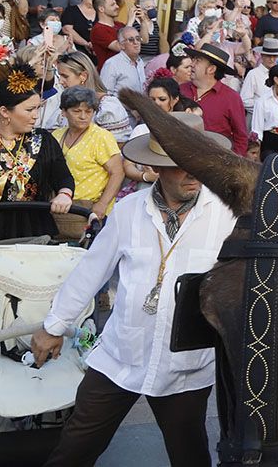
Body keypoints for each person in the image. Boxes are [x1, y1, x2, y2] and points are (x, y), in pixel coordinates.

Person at [31, 113, 235, 467]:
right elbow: (90, 272)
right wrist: (53, 326)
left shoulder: (227, 216)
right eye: (179, 165)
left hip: (185, 367)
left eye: (197, 163)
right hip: (119, 356)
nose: (192, 173)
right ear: (156, 168)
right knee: (73, 450)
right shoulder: (127, 211)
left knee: (190, 456)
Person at [0, 63, 74, 241]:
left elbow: (63, 177)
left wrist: (64, 194)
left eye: (38, 108)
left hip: (34, 229)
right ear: (4, 112)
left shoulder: (43, 140)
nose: (36, 116)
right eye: (29, 110)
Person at [53, 86, 124, 219]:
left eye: (88, 111)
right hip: (62, 205)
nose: (83, 116)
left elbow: (117, 172)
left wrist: (102, 204)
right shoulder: (57, 136)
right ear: (63, 112)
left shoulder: (101, 136)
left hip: (89, 207)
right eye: (77, 111)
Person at [179, 43, 249, 156]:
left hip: (214, 162)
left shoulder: (231, 98)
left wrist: (232, 165)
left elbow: (240, 137)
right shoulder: (180, 90)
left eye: (198, 61)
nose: (192, 64)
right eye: (193, 60)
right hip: (179, 158)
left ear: (211, 69)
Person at [55, 52, 133, 143]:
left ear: (83, 76)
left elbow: (118, 146)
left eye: (65, 76)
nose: (60, 81)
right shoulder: (65, 102)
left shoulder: (107, 106)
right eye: (59, 76)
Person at [240, 36, 278, 119]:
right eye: (268, 56)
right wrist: (265, 108)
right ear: (262, 56)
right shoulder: (253, 74)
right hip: (256, 117)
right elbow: (244, 100)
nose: (272, 59)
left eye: (274, 56)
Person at [99, 26, 147, 96]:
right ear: (121, 45)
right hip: (118, 106)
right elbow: (104, 94)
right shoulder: (112, 64)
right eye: (131, 40)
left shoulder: (140, 62)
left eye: (138, 38)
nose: (136, 42)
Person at [90, 0, 127, 70]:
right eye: (112, 5)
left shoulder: (120, 25)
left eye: (116, 4)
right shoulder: (98, 29)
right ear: (101, 9)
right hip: (110, 73)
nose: (117, 6)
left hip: (125, 70)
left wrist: (144, 21)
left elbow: (144, 40)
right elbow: (119, 47)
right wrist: (130, 22)